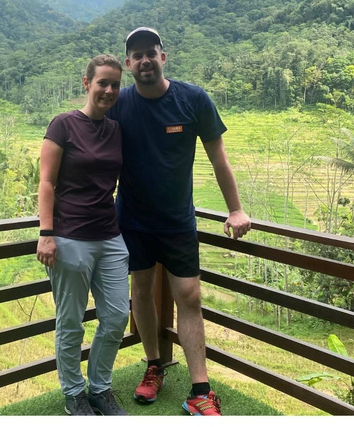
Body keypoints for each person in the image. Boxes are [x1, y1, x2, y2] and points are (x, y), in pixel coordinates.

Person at [106, 27, 252, 416]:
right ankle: (154, 366)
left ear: (163, 57)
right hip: (132, 220)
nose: (144, 60)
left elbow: (218, 157)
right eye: (136, 56)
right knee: (141, 288)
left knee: (189, 296)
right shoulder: (119, 104)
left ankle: (200, 389)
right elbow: (88, 148)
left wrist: (235, 209)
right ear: (128, 64)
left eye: (150, 53)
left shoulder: (193, 99)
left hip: (176, 221)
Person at [37, 54, 130, 416]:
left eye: (114, 85)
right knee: (71, 322)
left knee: (117, 316)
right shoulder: (63, 124)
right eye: (102, 82)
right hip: (70, 236)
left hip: (109, 236)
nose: (108, 90)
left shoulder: (115, 129)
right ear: (86, 83)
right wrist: (46, 233)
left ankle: (100, 388)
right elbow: (46, 182)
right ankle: (74, 393)